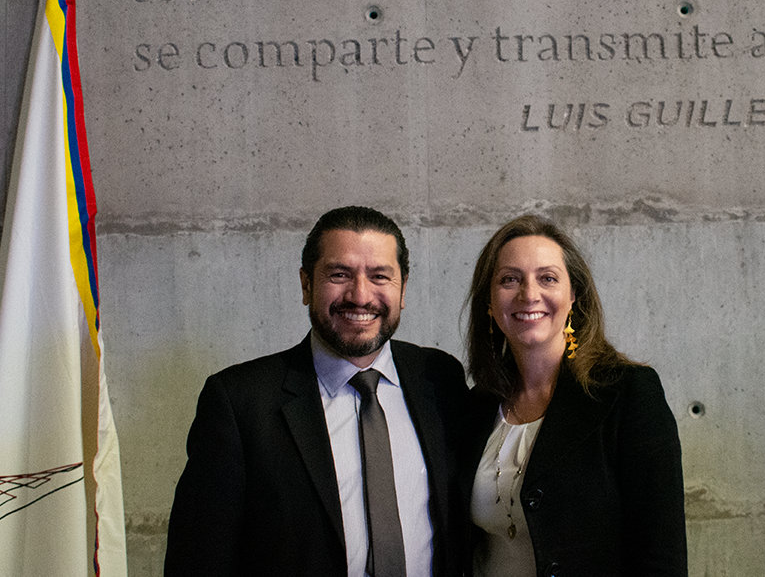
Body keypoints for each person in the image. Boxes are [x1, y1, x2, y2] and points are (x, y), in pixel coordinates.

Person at [165, 206, 470, 577]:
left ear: (403, 288)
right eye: (339, 274)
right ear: (306, 284)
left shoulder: (439, 379)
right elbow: (197, 560)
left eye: (379, 276)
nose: (360, 295)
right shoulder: (239, 402)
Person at [463, 215, 687, 577]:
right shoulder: (472, 408)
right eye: (509, 279)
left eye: (547, 278)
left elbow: (661, 556)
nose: (529, 294)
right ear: (490, 301)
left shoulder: (627, 394)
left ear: (573, 297)